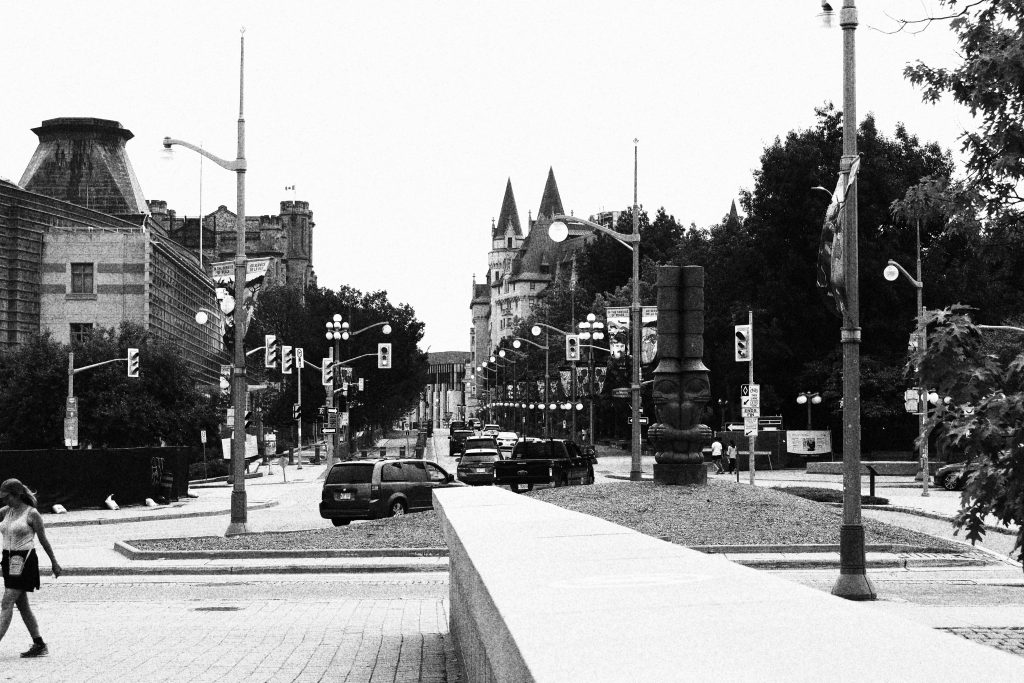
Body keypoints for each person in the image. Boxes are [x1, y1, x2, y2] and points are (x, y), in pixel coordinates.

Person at [0, 479, 61, 658]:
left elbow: (43, 539)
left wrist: (54, 562)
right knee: (22, 605)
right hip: (8, 560)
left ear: (17, 494)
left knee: (6, 602)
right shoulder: (6, 512)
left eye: (7, 497)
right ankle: (39, 644)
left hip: (25, 561)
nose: (4, 501)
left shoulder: (32, 514)